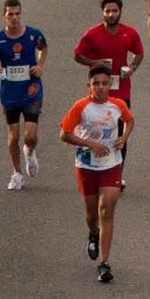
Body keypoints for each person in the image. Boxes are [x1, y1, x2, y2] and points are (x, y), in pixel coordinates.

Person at [59, 67, 134, 283]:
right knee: (92, 215)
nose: (100, 87)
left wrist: (123, 138)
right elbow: (64, 134)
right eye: (96, 83)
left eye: (104, 83)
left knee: (106, 211)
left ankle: (104, 263)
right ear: (89, 86)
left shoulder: (118, 105)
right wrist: (89, 143)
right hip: (86, 165)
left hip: (111, 164)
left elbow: (130, 120)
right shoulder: (81, 107)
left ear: (110, 85)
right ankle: (93, 233)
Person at [0, 0, 47, 191]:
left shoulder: (32, 35)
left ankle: (29, 151)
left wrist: (40, 65)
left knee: (30, 135)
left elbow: (43, 48)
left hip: (31, 90)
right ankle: (17, 173)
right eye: (10, 14)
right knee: (13, 136)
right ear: (4, 16)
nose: (14, 18)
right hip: (10, 93)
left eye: (17, 13)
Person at [73, 0, 144, 113]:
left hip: (122, 88)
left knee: (120, 125)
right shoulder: (92, 34)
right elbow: (78, 55)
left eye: (115, 11)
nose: (111, 15)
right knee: (99, 125)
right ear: (103, 12)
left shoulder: (130, 33)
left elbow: (139, 53)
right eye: (107, 11)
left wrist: (132, 67)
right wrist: (96, 63)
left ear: (120, 11)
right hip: (98, 89)